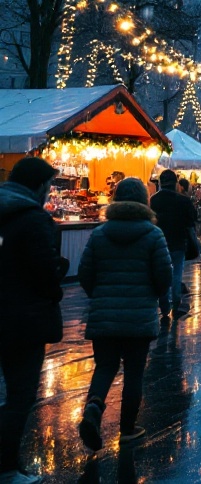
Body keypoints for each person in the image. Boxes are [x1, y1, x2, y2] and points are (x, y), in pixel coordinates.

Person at [77, 178, 172, 452]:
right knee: (134, 372)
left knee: (105, 367)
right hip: (138, 317)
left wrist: (100, 295)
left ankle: (94, 408)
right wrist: (151, 295)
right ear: (145, 200)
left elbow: (85, 273)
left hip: (104, 315)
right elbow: (164, 275)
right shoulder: (153, 234)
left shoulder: (100, 233)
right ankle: (127, 430)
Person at [0, 158, 65, 484]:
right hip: (23, 319)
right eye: (49, 186)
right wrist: (57, 281)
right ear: (39, 186)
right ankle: (7, 468)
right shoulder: (34, 219)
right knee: (20, 395)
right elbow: (45, 273)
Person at [149, 169, 197, 322]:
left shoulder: (153, 200)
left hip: (159, 241)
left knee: (162, 273)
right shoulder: (183, 200)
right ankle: (176, 304)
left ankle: (164, 307)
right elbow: (191, 222)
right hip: (178, 241)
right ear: (175, 182)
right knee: (176, 274)